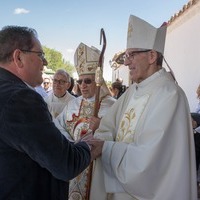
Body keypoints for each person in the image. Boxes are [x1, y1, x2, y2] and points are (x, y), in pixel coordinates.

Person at [89, 15, 197, 200]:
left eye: (131, 55)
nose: (125, 62)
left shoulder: (170, 95)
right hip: (117, 188)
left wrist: (106, 148)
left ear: (152, 56)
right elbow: (108, 127)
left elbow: (152, 161)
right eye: (126, 55)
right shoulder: (132, 92)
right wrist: (100, 138)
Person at [0, 25, 101, 200]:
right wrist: (86, 146)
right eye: (40, 55)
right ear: (18, 58)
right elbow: (65, 164)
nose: (45, 62)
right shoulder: (21, 98)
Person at [54, 42, 116, 200]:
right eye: (80, 81)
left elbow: (120, 136)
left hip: (99, 169)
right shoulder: (73, 104)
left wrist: (103, 127)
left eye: (87, 81)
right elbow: (58, 127)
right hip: (75, 164)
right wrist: (70, 145)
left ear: (98, 81)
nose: (82, 85)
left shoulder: (112, 105)